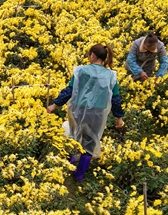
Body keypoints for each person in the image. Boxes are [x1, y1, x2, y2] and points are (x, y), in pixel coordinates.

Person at [46, 44, 124, 181]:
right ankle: (80, 174)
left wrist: (54, 105)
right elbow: (115, 99)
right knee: (90, 142)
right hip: (97, 114)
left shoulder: (81, 71)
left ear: (92, 55)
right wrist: (119, 118)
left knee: (74, 136)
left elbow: (69, 91)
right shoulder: (111, 76)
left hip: (78, 110)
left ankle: (69, 164)